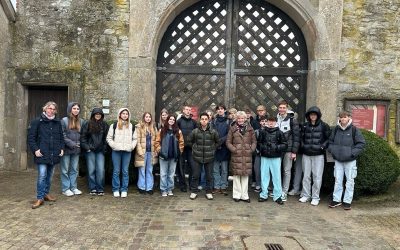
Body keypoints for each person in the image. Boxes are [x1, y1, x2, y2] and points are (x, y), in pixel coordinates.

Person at [28, 101, 64, 209]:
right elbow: (31, 138)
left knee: (49, 176)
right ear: (45, 109)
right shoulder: (37, 122)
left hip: (54, 153)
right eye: (49, 108)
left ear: (55, 111)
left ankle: (46, 194)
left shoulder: (57, 123)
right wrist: (35, 150)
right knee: (42, 176)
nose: (51, 111)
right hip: (42, 154)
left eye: (53, 109)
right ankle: (40, 198)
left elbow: (61, 137)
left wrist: (61, 148)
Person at [328, 111, 365, 210]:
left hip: (350, 161)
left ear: (349, 118)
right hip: (338, 160)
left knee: (350, 181)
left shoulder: (354, 129)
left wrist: (351, 153)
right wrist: (333, 151)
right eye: (341, 117)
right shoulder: (336, 129)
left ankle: (347, 201)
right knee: (337, 180)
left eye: (345, 117)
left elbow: (361, 144)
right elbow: (330, 142)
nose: (343, 119)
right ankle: (336, 199)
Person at [299, 106, 330, 205]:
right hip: (306, 154)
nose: (313, 116)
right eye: (311, 114)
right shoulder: (304, 125)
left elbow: (329, 138)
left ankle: (315, 197)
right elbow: (301, 138)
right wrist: (303, 146)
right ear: (308, 116)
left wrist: (322, 147)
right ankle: (306, 195)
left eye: (314, 114)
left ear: (318, 115)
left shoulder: (324, 126)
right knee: (306, 176)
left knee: (317, 176)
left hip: (318, 155)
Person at [226, 111, 256, 202]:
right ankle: (236, 195)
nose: (240, 120)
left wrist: (251, 149)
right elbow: (228, 142)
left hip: (247, 155)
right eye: (239, 118)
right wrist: (234, 149)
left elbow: (254, 141)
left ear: (245, 119)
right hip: (236, 155)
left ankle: (245, 195)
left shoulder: (250, 129)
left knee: (245, 176)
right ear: (236, 119)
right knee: (236, 176)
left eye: (242, 118)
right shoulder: (232, 129)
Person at [106, 108, 137, 198]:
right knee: (116, 171)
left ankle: (124, 189)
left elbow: (135, 139)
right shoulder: (114, 125)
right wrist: (114, 145)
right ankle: (116, 189)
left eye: (126, 114)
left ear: (128, 115)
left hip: (127, 152)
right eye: (123, 113)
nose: (125, 115)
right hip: (116, 151)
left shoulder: (131, 126)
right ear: (120, 115)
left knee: (125, 171)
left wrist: (131, 147)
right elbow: (109, 138)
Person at [188, 112, 219, 200]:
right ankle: (194, 191)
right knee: (196, 175)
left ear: (208, 120)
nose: (204, 121)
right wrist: (195, 148)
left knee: (209, 176)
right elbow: (189, 140)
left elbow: (217, 142)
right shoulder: (195, 131)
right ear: (200, 120)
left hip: (209, 157)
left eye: (206, 119)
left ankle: (208, 192)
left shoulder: (213, 132)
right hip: (197, 157)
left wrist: (212, 149)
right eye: (202, 119)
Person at [257, 116, 287, 205]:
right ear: (267, 122)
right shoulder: (263, 132)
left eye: (272, 122)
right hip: (265, 157)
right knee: (264, 176)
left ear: (275, 123)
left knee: (277, 177)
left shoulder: (279, 133)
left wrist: (276, 147)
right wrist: (263, 147)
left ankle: (277, 196)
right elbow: (259, 143)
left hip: (276, 157)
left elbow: (285, 144)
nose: (270, 123)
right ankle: (263, 195)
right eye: (269, 121)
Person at [80, 108, 108, 196]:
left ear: (102, 115)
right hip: (90, 151)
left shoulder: (104, 124)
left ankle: (100, 188)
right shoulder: (87, 124)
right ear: (93, 115)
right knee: (91, 170)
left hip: (100, 151)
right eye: (96, 114)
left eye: (100, 114)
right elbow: (83, 137)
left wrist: (104, 148)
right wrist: (87, 148)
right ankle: (93, 188)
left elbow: (107, 138)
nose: (98, 115)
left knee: (100, 170)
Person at [155, 115, 184, 197]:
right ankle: (163, 189)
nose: (171, 120)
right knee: (163, 173)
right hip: (163, 156)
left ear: (175, 121)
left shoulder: (178, 131)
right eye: (170, 119)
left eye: (173, 119)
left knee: (171, 174)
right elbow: (157, 142)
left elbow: (181, 143)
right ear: (167, 120)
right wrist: (160, 151)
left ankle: (170, 188)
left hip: (173, 156)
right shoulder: (162, 130)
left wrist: (179, 152)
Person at [276, 100, 300, 202]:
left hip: (288, 149)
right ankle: (278, 190)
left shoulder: (292, 120)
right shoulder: (276, 118)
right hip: (278, 149)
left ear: (287, 108)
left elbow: (296, 136)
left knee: (287, 171)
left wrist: (294, 151)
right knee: (277, 170)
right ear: (278, 108)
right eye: (280, 107)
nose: (282, 109)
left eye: (284, 107)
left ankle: (284, 192)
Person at [60, 102, 84, 197]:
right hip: (66, 149)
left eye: (78, 108)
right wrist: (72, 144)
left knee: (74, 169)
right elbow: (62, 135)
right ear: (70, 109)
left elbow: (82, 135)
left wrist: (80, 143)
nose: (76, 110)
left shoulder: (81, 121)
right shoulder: (64, 120)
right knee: (65, 170)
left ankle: (73, 188)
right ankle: (65, 189)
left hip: (76, 150)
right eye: (74, 108)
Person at [134, 112, 158, 195]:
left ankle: (149, 187)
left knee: (149, 170)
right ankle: (142, 187)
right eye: (146, 117)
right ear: (144, 118)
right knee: (142, 170)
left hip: (150, 153)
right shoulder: (139, 127)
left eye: (149, 117)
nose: (148, 118)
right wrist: (140, 152)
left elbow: (156, 141)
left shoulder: (154, 128)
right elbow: (137, 141)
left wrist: (156, 151)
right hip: (142, 153)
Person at [211, 104, 231, 195]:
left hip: (225, 148)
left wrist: (221, 140)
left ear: (225, 110)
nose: (220, 110)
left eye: (222, 109)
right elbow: (211, 132)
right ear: (216, 111)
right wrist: (216, 141)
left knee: (224, 170)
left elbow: (229, 134)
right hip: (215, 147)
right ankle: (216, 186)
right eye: (218, 109)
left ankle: (223, 186)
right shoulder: (213, 121)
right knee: (215, 169)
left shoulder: (229, 121)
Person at [177, 105, 197, 192]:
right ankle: (183, 185)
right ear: (183, 111)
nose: (188, 111)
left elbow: (197, 134)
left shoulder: (194, 122)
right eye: (186, 109)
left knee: (192, 167)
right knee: (181, 167)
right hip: (181, 148)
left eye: (189, 110)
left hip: (191, 148)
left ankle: (191, 185)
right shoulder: (179, 121)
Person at [250, 105, 267, 190]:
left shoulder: (269, 121)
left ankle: (266, 185)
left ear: (265, 111)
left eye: (261, 110)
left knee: (266, 169)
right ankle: (256, 182)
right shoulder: (253, 121)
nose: (260, 111)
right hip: (257, 149)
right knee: (256, 167)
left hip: (267, 151)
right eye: (258, 110)